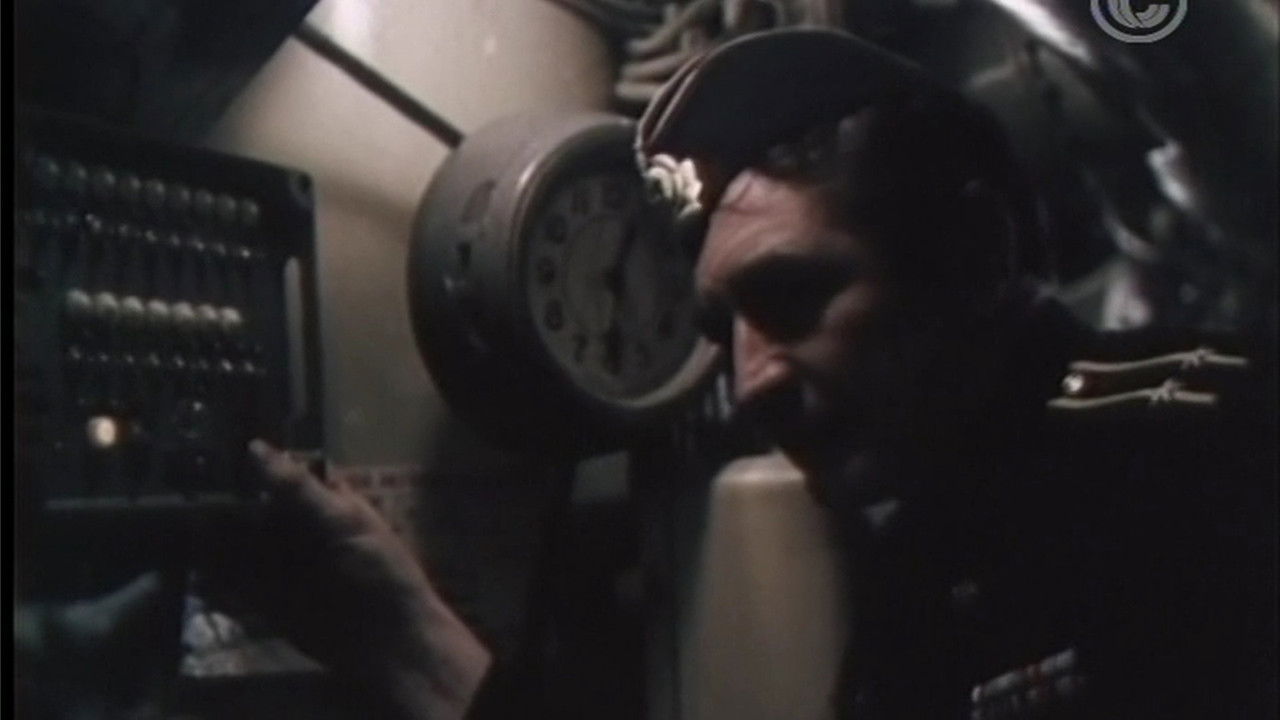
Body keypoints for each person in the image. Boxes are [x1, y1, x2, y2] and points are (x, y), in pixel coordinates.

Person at [248, 27, 1275, 720]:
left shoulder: (1207, 455)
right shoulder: (930, 556)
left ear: (972, 254)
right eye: (718, 327)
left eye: (791, 296)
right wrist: (404, 633)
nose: (751, 384)